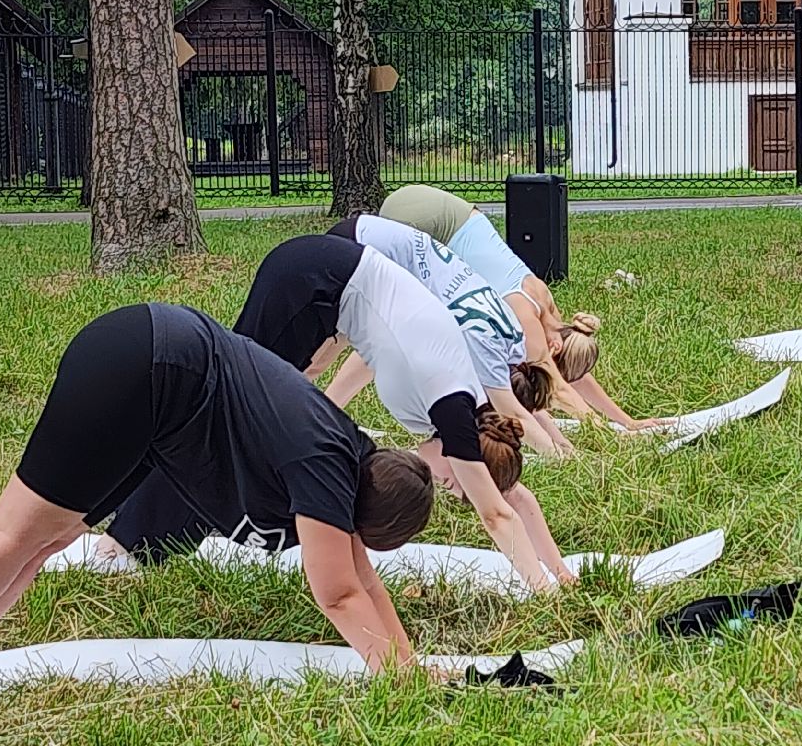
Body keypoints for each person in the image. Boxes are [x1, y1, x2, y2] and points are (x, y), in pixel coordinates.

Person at [0, 303, 442, 696]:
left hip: (159, 379)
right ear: (361, 517)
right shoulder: (323, 467)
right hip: (144, 366)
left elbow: (360, 577)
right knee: (16, 532)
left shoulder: (353, 454)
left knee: (47, 540)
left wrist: (406, 666)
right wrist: (396, 678)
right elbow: (339, 590)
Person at [232, 234, 569, 590]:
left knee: (267, 386)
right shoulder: (452, 406)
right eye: (454, 481)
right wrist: (543, 591)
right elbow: (496, 514)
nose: (445, 485)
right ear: (462, 453)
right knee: (238, 385)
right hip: (317, 277)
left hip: (333, 284)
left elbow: (515, 496)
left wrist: (561, 572)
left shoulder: (473, 411)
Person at [379, 184, 670, 430]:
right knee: (389, 325)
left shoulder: (550, 311)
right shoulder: (526, 315)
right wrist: (604, 431)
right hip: (421, 220)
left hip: (443, 209)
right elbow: (560, 387)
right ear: (554, 348)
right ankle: (336, 399)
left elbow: (576, 375)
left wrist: (628, 421)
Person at [326, 212, 572, 457]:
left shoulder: (514, 343)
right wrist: (558, 457)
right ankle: (323, 413)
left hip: (370, 235)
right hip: (362, 247)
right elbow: (514, 411)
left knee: (379, 340)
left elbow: (522, 406)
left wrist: (563, 444)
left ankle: (325, 410)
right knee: (351, 347)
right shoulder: (483, 346)